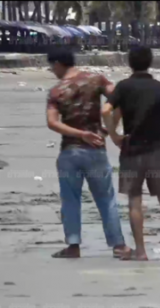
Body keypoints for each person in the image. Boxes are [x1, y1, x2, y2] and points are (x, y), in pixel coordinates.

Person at [102, 46, 160, 261]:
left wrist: (113, 135)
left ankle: (141, 251)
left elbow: (106, 111)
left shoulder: (123, 87)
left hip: (132, 151)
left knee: (134, 201)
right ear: (150, 62)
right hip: (157, 149)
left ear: (129, 63)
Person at [46, 48, 131, 259]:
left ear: (58, 63)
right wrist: (108, 128)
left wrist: (80, 134)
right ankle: (118, 245)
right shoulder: (96, 79)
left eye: (51, 66)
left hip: (70, 151)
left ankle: (73, 246)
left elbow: (52, 123)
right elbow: (120, 100)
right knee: (106, 199)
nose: (51, 70)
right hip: (96, 149)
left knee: (70, 200)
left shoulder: (56, 91)